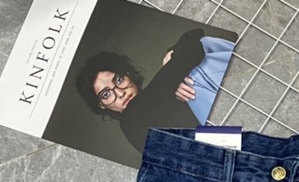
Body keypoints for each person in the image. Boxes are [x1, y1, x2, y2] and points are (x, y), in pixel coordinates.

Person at [76, 28, 236, 154]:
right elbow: (194, 42)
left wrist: (172, 65)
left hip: (226, 143)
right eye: (106, 94)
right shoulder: (131, 121)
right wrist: (172, 60)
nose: (120, 93)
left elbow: (195, 38)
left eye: (118, 80)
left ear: (127, 74)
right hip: (222, 152)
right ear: (101, 105)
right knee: (198, 70)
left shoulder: (159, 91)